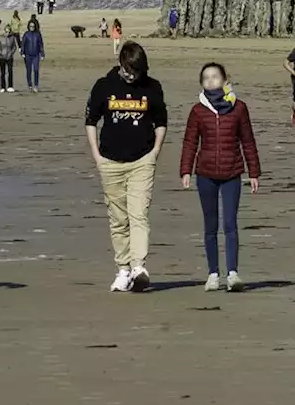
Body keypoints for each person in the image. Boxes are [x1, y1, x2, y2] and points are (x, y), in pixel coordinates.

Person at [85, 42, 168, 293]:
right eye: (128, 69)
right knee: (118, 218)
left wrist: (155, 152)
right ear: (121, 64)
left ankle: (139, 266)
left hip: (142, 160)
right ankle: (122, 269)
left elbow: (161, 121)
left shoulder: (152, 88)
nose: (131, 75)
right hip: (110, 161)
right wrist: (97, 156)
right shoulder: (104, 86)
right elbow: (90, 120)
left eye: (136, 71)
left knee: (138, 213)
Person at [179, 63, 260, 292]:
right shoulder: (198, 111)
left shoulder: (239, 108)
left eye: (215, 77)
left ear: (225, 80)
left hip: (232, 173)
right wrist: (186, 169)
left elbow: (248, 141)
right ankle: (213, 274)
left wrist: (254, 172)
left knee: (230, 224)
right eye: (206, 78)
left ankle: (233, 274)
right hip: (205, 174)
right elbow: (190, 142)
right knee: (210, 226)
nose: (210, 81)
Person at [21, 18, 45, 92]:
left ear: (35, 27)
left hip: (36, 55)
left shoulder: (38, 34)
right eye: (30, 26)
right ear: (28, 26)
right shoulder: (26, 34)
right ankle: (30, 85)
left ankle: (36, 85)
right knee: (28, 70)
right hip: (28, 55)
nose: (32, 28)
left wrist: (42, 54)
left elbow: (41, 45)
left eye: (33, 26)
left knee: (36, 70)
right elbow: (23, 44)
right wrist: (22, 53)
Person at [0, 24, 18, 92]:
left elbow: (14, 47)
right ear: (4, 31)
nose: (7, 33)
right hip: (2, 57)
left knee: (10, 71)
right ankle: (2, 87)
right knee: (2, 73)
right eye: (6, 31)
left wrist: (11, 53)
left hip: (9, 57)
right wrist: (0, 52)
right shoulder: (0, 37)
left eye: (9, 31)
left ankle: (10, 86)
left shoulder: (12, 38)